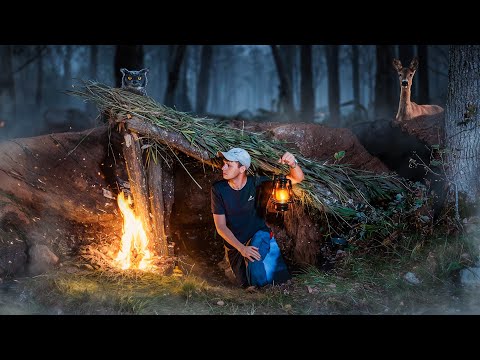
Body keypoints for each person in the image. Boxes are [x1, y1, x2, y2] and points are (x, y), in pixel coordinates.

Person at [210, 147, 305, 289]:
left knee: (255, 265)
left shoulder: (258, 183)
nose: (223, 167)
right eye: (224, 163)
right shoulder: (218, 189)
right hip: (236, 245)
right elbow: (221, 227)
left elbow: (297, 178)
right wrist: (242, 248)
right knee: (244, 284)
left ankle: (266, 296)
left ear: (242, 169)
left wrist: (293, 163)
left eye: (229, 165)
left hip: (258, 234)